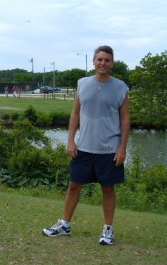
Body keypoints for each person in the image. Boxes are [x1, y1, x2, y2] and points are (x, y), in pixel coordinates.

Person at [42, 45, 130, 245]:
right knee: (73, 186)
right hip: (83, 147)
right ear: (93, 61)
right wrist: (71, 140)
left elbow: (125, 119)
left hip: (109, 149)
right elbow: (75, 114)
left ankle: (108, 230)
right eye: (99, 59)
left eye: (107, 60)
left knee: (107, 189)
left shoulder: (120, 87)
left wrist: (122, 148)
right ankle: (64, 225)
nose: (103, 63)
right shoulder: (82, 84)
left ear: (112, 63)